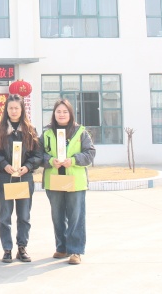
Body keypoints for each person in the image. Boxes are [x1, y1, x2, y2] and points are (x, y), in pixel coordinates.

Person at [41, 99, 96, 265]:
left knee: (75, 216)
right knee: (57, 216)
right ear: (54, 114)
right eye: (58, 111)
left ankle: (75, 251)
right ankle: (62, 247)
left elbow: (90, 153)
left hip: (75, 181)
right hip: (54, 180)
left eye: (65, 111)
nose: (62, 114)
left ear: (71, 114)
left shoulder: (81, 132)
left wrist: (73, 160)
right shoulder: (47, 133)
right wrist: (50, 161)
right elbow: (38, 154)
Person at [0, 94, 43, 263]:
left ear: (22, 110)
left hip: (24, 177)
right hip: (5, 177)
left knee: (24, 216)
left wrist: (27, 166)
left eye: (17, 108)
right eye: (11, 108)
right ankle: (7, 249)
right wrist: (4, 165)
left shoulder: (30, 130)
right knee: (4, 216)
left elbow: (37, 155)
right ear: (6, 110)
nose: (13, 111)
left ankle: (22, 247)